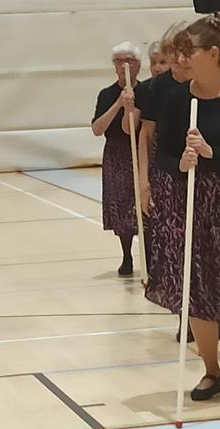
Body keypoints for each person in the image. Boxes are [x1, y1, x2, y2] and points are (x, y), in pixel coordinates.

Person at [146, 11, 220, 402]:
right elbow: (162, 154)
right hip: (194, 205)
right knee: (199, 289)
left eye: (189, 52)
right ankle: (211, 371)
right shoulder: (176, 99)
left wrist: (213, 153)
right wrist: (181, 163)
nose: (182, 60)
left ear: (213, 54)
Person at [92, 42, 142, 276]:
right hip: (116, 154)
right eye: (119, 61)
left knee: (144, 204)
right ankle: (126, 255)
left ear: (138, 64)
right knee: (121, 206)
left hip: (141, 150)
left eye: (129, 60)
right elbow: (97, 128)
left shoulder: (147, 90)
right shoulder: (106, 94)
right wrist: (119, 104)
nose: (124, 66)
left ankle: (151, 256)